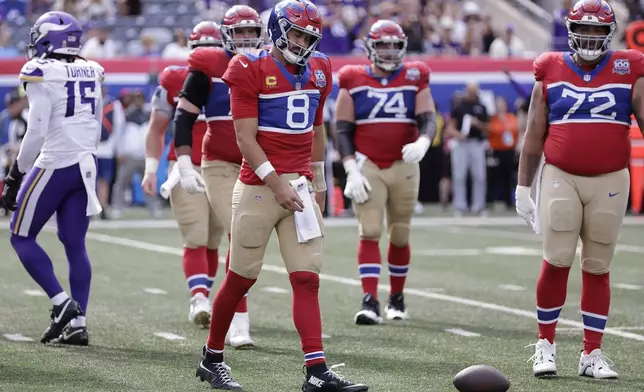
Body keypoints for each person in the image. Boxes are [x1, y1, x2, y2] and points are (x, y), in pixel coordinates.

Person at [176, 0, 369, 390]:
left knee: (307, 278)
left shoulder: (320, 69)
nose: (301, 42)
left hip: (296, 187)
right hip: (258, 189)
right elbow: (245, 138)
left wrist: (317, 183)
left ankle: (316, 372)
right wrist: (277, 184)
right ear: (278, 30)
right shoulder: (248, 67)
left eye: (308, 36)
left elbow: (316, 132)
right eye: (296, 33)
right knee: (240, 278)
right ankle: (211, 358)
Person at [516, 0, 644, 380]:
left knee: (598, 266)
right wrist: (523, 187)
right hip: (561, 175)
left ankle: (592, 353)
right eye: (583, 30)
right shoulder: (550, 68)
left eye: (597, 31)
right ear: (571, 31)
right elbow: (534, 134)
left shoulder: (629, 68)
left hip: (611, 178)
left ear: (609, 34)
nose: (589, 38)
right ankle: (545, 345)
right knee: (557, 259)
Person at [1, 11, 104, 346]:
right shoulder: (93, 68)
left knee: (20, 235)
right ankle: (79, 324)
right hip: (86, 164)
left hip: (56, 163)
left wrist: (15, 175)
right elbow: (97, 121)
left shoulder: (40, 71)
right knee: (75, 244)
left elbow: (37, 132)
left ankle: (62, 305)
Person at [169, 4, 266, 347]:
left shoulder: (270, 64)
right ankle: (238, 321)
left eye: (250, 32)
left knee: (253, 239)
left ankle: (229, 311)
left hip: (260, 165)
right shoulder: (208, 65)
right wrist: (182, 162)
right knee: (238, 232)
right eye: (238, 31)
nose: (245, 38)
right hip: (221, 164)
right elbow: (183, 118)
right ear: (225, 34)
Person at [335, 20, 437, 325]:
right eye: (383, 44)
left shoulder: (415, 75)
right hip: (368, 164)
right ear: (370, 47)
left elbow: (428, 117)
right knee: (369, 231)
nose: (390, 51)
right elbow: (342, 129)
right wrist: (351, 168)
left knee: (400, 233)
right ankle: (369, 300)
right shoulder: (352, 78)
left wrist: (423, 140)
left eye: (395, 45)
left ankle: (396, 297)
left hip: (403, 164)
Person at [142, 21, 225, 329]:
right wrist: (152, 168)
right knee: (196, 235)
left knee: (214, 239)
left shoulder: (239, 74)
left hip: (226, 167)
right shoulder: (175, 79)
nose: (208, 56)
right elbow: (157, 129)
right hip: (186, 166)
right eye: (201, 49)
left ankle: (208, 295)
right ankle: (199, 297)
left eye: (214, 49)